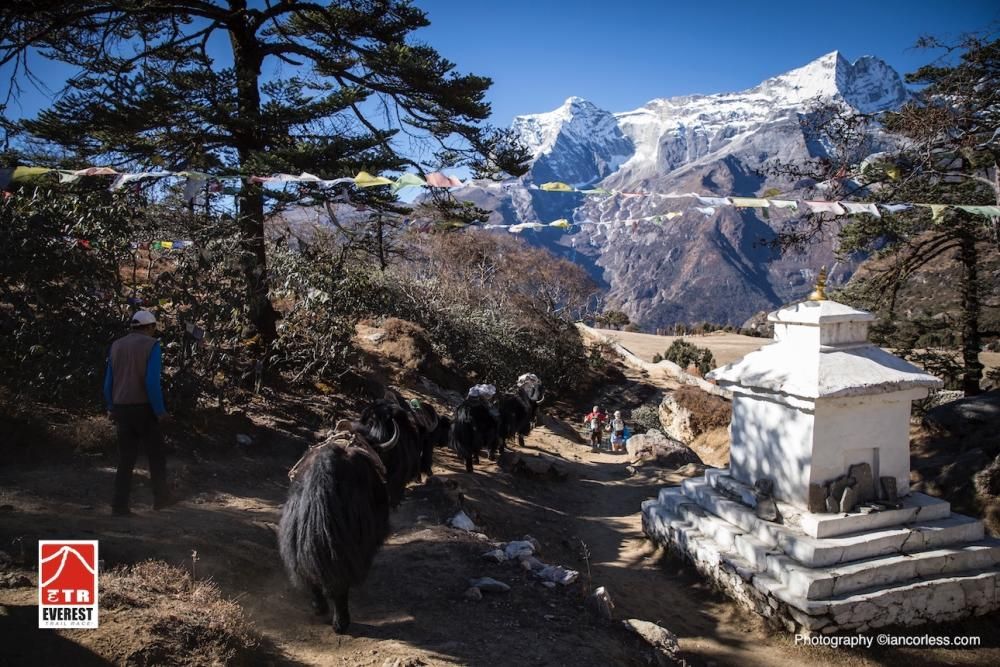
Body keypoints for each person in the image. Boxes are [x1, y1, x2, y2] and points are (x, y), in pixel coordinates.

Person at [103, 310, 171, 515]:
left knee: (125, 459)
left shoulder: (116, 345)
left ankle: (119, 505)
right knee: (156, 456)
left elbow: (108, 382)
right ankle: (161, 500)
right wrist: (160, 411)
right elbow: (151, 382)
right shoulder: (152, 346)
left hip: (121, 408)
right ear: (149, 327)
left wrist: (110, 406)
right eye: (153, 328)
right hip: (144, 409)